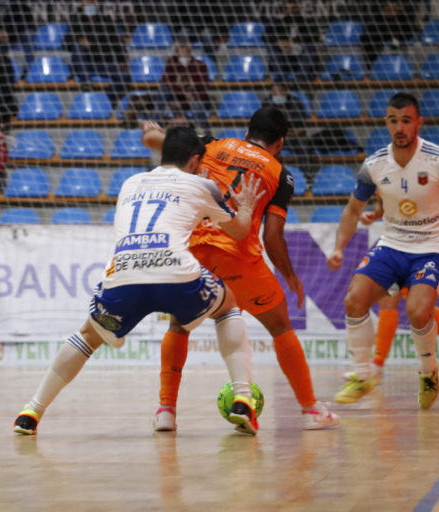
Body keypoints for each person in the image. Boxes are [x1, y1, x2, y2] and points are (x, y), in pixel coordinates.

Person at [14, 126, 266, 436]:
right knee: (227, 305)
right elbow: (240, 231)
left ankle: (32, 411)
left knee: (87, 336)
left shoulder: (130, 183)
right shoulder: (202, 184)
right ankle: (243, 399)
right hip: (176, 273)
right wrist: (247, 207)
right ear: (195, 160)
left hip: (123, 273)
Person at [141, 107, 339, 431]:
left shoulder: (214, 146)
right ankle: (310, 410)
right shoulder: (280, 173)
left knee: (179, 325)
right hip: (238, 256)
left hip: (193, 252)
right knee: (280, 327)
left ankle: (166, 411)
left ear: (247, 134)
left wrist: (154, 132)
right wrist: (289, 275)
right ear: (280, 143)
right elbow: (272, 237)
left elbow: (158, 141)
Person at [326, 92, 439, 409]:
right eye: (393, 120)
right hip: (391, 245)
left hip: (429, 248)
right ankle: (365, 376)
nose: (399, 127)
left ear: (418, 123)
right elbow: (351, 209)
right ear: (386, 122)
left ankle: (428, 371)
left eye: (405, 120)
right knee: (354, 300)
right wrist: (338, 247)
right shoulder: (375, 164)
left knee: (418, 311)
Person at [346, 195, 439, 388]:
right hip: (397, 245)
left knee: (418, 308)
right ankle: (377, 364)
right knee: (390, 300)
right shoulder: (380, 168)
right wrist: (375, 213)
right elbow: (383, 201)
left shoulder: (433, 168)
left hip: (423, 248)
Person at [68, 0, 128, 103]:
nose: (88, 5)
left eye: (91, 2)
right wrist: (79, 40)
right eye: (85, 3)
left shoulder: (106, 21)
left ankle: (105, 101)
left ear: (97, 4)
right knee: (77, 47)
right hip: (85, 65)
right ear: (81, 5)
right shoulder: (76, 21)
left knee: (125, 77)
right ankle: (86, 83)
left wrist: (122, 61)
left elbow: (116, 44)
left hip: (102, 64)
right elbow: (66, 43)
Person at [160, 39, 211, 127]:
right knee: (163, 91)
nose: (183, 50)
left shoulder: (200, 65)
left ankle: (206, 135)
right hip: (177, 99)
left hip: (195, 99)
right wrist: (183, 93)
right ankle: (157, 128)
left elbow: (202, 90)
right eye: (181, 47)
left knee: (197, 106)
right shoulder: (171, 63)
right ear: (177, 50)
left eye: (185, 47)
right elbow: (166, 82)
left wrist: (191, 98)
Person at [261, 82, 308, 159]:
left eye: (280, 90)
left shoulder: (296, 103)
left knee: (303, 147)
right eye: (275, 91)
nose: (277, 93)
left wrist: (286, 134)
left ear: (286, 91)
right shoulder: (267, 102)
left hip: (293, 138)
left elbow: (303, 129)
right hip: (273, 138)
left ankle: (302, 170)